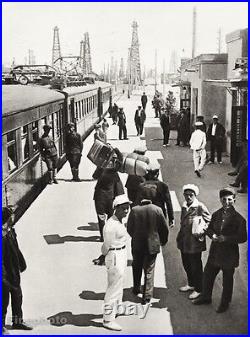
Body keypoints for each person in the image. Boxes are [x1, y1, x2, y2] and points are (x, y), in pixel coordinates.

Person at [193, 187, 247, 313]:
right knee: (208, 275)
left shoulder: (239, 219)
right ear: (220, 200)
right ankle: (206, 297)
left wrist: (226, 238)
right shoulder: (216, 214)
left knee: (227, 281)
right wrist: (212, 235)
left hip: (229, 256)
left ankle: (225, 303)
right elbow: (209, 228)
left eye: (229, 200)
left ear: (234, 200)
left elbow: (243, 237)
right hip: (215, 253)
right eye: (224, 200)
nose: (226, 202)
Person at [127, 195, 169, 304]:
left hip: (137, 244)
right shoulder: (157, 210)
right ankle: (147, 295)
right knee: (149, 269)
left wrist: (135, 237)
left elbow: (129, 228)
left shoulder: (134, 210)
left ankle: (136, 288)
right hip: (152, 245)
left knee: (137, 266)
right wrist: (162, 241)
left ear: (141, 201)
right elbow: (164, 228)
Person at [176, 184, 211, 300]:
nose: (188, 197)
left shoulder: (200, 206)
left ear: (195, 195)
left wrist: (202, 231)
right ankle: (191, 284)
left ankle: (199, 289)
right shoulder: (184, 206)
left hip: (195, 242)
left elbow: (209, 221)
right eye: (186, 195)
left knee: (195, 265)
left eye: (191, 195)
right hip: (184, 240)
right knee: (186, 263)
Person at [102, 195, 131, 331]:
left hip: (121, 253)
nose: (126, 211)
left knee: (120, 284)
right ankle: (108, 319)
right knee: (113, 288)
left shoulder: (119, 221)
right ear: (116, 209)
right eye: (123, 208)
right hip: (114, 255)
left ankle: (117, 309)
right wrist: (103, 256)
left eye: (127, 208)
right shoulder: (111, 226)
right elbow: (106, 245)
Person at [2, 207, 33, 334]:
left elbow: (16, 249)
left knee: (17, 296)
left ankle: (17, 321)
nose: (14, 217)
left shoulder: (10, 231)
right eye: (11, 216)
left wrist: (21, 263)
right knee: (3, 300)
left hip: (13, 269)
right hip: (3, 272)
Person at [92, 167, 124, 265]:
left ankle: (103, 236)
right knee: (111, 218)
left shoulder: (101, 170)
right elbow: (119, 189)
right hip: (110, 199)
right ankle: (109, 235)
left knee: (101, 218)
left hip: (99, 198)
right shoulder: (114, 173)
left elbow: (94, 176)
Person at [136, 162, 174, 228]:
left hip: (145, 214)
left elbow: (138, 202)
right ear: (157, 173)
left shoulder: (141, 186)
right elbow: (168, 203)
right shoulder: (163, 185)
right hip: (160, 214)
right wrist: (171, 218)